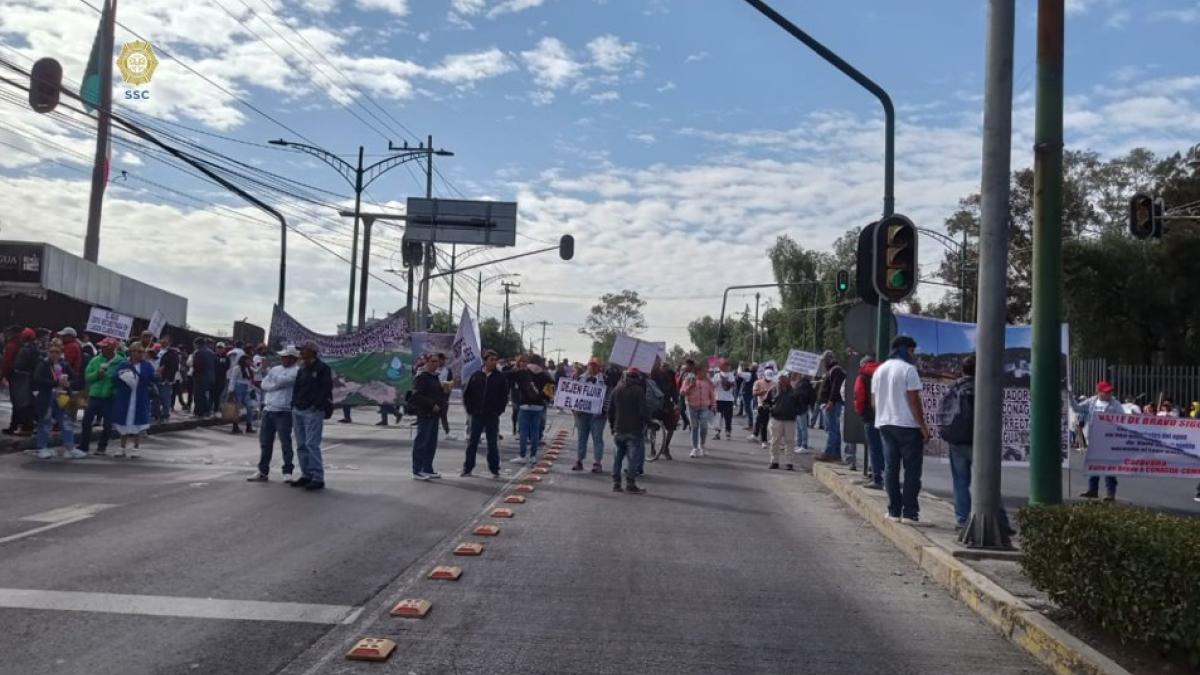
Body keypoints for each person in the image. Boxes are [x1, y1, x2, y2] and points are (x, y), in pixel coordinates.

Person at [937, 355, 1013, 532]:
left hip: (956, 442)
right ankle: (1001, 522)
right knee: (989, 483)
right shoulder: (985, 387)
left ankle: (962, 520)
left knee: (960, 483)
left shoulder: (954, 387)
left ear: (962, 369)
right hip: (980, 443)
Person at [872, 335, 930, 525]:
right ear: (904, 349)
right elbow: (914, 400)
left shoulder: (879, 370)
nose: (913, 355)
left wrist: (883, 415)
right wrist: (923, 427)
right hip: (907, 426)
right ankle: (910, 512)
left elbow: (874, 402)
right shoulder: (909, 370)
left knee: (891, 469)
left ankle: (894, 511)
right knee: (912, 471)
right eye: (912, 350)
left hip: (885, 424)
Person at [247, 346, 300, 483]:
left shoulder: (296, 371)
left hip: (284, 411)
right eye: (282, 356)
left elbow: (284, 382)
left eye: (286, 356)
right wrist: (272, 382)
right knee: (265, 442)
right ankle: (263, 471)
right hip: (269, 409)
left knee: (285, 442)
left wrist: (270, 374)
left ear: (293, 358)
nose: (283, 358)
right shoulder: (276, 369)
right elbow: (264, 384)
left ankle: (287, 471)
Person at [1068, 380, 1125, 501]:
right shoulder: (1092, 401)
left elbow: (1123, 419)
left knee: (1109, 466)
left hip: (1109, 439)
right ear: (1098, 392)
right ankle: (1092, 489)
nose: (1109, 393)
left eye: (1110, 391)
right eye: (1106, 392)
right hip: (1093, 438)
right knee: (1094, 465)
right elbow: (1077, 408)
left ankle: (1111, 493)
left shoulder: (1115, 404)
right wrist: (1070, 397)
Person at [290, 341, 333, 491]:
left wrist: (316, 405)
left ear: (313, 352)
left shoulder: (322, 368)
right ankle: (306, 474)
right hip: (298, 409)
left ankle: (317, 477)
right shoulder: (302, 368)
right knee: (301, 444)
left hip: (313, 411)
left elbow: (325, 389)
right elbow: (297, 387)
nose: (301, 352)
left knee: (311, 444)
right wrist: (294, 404)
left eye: (304, 350)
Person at [33, 339, 86, 460]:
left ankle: (70, 447)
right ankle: (42, 447)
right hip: (48, 396)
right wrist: (55, 382)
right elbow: (37, 379)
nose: (54, 354)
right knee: (45, 421)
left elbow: (76, 379)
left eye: (57, 351)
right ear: (48, 352)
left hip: (63, 396)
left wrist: (69, 384)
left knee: (66, 421)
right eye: (52, 351)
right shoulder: (43, 364)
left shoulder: (64, 365)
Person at [461, 350, 508, 478]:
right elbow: (467, 394)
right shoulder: (476, 376)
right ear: (485, 361)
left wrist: (498, 410)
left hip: (492, 415)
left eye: (495, 360)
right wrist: (470, 409)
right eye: (491, 359)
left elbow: (504, 396)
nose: (494, 362)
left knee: (492, 443)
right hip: (476, 415)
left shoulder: (500, 377)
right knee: (473, 442)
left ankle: (494, 469)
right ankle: (467, 468)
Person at [77, 337, 124, 456]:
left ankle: (102, 447)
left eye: (105, 347)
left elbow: (123, 380)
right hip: (94, 395)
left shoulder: (121, 362)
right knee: (86, 422)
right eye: (101, 347)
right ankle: (84, 445)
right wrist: (98, 374)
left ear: (112, 348)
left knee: (108, 425)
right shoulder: (95, 360)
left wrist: (114, 387)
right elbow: (88, 377)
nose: (102, 349)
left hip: (110, 397)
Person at [110, 342, 158, 457]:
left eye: (143, 352)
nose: (142, 354)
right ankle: (122, 447)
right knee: (124, 422)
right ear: (132, 352)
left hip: (140, 398)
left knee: (138, 423)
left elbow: (153, 379)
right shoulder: (123, 364)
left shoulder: (147, 365)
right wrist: (121, 375)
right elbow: (113, 378)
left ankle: (136, 448)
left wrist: (157, 375)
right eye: (139, 352)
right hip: (125, 398)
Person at [608, 367, 648, 494]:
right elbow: (643, 412)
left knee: (617, 458)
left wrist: (612, 426)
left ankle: (616, 483)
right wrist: (646, 422)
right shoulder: (639, 391)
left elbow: (610, 410)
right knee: (632, 459)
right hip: (634, 430)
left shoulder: (617, 389)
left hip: (618, 430)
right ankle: (630, 484)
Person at [409, 352, 447, 480]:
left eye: (437, 362)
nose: (435, 364)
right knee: (421, 442)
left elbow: (438, 394)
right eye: (432, 361)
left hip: (435, 414)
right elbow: (417, 395)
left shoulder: (435, 377)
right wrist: (431, 405)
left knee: (431, 443)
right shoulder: (422, 377)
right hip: (425, 413)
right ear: (426, 362)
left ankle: (427, 468)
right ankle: (417, 470)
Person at [510, 354, 554, 464]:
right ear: (540, 363)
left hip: (524, 405)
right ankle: (533, 456)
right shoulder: (545, 375)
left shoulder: (524, 372)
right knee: (535, 433)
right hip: (538, 407)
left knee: (523, 432)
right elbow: (550, 392)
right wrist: (543, 398)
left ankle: (522, 455)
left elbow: (511, 380)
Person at [572, 357, 608, 473]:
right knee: (581, 438)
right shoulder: (579, 378)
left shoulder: (605, 380)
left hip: (598, 415)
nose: (592, 367)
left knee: (597, 438)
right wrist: (574, 408)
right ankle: (579, 460)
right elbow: (572, 394)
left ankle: (597, 462)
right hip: (582, 414)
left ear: (599, 367)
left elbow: (608, 396)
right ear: (587, 366)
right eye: (591, 365)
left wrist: (604, 410)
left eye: (595, 365)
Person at [853, 355, 884, 489]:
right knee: (885, 448)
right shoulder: (884, 372)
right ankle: (887, 476)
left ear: (863, 365)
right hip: (886, 416)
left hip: (870, 416)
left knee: (874, 448)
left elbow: (859, 395)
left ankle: (877, 478)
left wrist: (860, 411)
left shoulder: (862, 376)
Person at [814, 353, 847, 464]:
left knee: (831, 430)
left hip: (831, 404)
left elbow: (835, 387)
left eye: (824, 360)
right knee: (834, 430)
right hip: (830, 403)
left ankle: (828, 453)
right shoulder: (832, 370)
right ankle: (836, 454)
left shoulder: (836, 370)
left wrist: (831, 401)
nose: (823, 362)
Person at [680, 359, 716, 457]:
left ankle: (702, 445)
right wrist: (690, 387)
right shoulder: (689, 379)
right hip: (692, 407)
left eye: (706, 371)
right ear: (698, 371)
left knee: (704, 426)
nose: (706, 373)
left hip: (704, 407)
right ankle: (695, 448)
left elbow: (712, 393)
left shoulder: (708, 381)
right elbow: (682, 392)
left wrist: (713, 405)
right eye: (704, 371)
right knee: (694, 427)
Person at [767, 372, 801, 471]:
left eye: (785, 378)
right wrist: (769, 408)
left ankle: (789, 463)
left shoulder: (794, 391)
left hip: (790, 420)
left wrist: (795, 411)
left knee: (789, 441)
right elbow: (767, 402)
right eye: (781, 378)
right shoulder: (774, 390)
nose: (783, 380)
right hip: (776, 419)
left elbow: (800, 404)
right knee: (775, 441)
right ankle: (774, 461)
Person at [650, 360, 679, 460]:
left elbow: (674, 390)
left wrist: (677, 402)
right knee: (653, 427)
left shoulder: (671, 376)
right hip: (656, 404)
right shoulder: (654, 374)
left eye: (667, 366)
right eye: (664, 366)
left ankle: (665, 447)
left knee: (671, 427)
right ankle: (652, 449)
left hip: (667, 403)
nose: (665, 368)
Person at [227, 353, 257, 434]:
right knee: (236, 408)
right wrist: (231, 391)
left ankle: (249, 426)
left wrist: (252, 389)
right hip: (238, 388)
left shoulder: (249, 369)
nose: (248, 362)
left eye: (249, 360)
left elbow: (256, 372)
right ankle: (235, 427)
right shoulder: (237, 368)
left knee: (250, 407)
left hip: (247, 389)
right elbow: (233, 379)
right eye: (247, 360)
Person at [712, 359, 737, 440]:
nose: (726, 367)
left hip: (728, 400)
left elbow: (734, 385)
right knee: (718, 417)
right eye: (725, 365)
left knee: (728, 417)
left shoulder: (731, 375)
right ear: (721, 366)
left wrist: (729, 383)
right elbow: (713, 386)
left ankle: (728, 432)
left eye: (727, 365)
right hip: (718, 398)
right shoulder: (717, 375)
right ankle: (717, 433)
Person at [157, 335, 180, 421]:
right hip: (156, 377)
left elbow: (174, 367)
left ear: (170, 343)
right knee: (156, 397)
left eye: (166, 341)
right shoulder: (156, 350)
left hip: (165, 379)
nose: (163, 342)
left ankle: (165, 414)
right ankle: (156, 414)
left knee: (165, 397)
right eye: (162, 340)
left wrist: (168, 378)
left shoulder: (172, 353)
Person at [752, 367, 775, 449]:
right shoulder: (758, 382)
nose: (769, 380)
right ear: (764, 375)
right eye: (767, 378)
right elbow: (754, 393)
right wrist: (762, 392)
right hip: (762, 405)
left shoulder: (774, 383)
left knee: (773, 425)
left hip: (773, 406)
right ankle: (764, 440)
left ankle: (757, 434)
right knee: (763, 424)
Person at [191, 339, 215, 417]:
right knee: (204, 395)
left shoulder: (198, 352)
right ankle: (207, 411)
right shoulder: (211, 352)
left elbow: (197, 365)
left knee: (198, 395)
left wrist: (194, 373)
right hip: (210, 377)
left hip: (200, 376)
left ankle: (198, 412)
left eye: (195, 344)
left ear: (198, 344)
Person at [794, 374, 816, 454]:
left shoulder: (803, 384)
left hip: (801, 407)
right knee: (800, 427)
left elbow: (800, 395)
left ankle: (803, 445)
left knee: (802, 428)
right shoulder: (805, 384)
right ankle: (800, 444)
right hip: (801, 407)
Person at [213, 342, 230, 418]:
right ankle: (211, 409)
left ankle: (216, 409)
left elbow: (226, 367)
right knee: (212, 394)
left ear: (224, 349)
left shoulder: (226, 357)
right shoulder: (213, 356)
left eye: (221, 348)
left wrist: (220, 364)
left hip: (221, 378)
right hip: (212, 377)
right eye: (218, 348)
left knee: (219, 394)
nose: (219, 349)